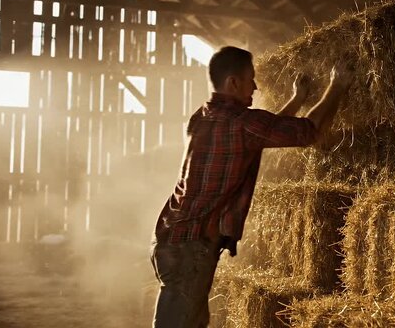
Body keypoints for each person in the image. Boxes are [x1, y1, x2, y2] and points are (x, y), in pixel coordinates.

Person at [150, 46, 353, 328]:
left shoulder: (202, 116)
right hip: (189, 246)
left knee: (192, 322)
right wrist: (337, 85)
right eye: (250, 79)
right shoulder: (240, 122)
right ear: (233, 82)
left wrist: (298, 98)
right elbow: (309, 131)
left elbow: (265, 132)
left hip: (174, 239)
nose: (255, 87)